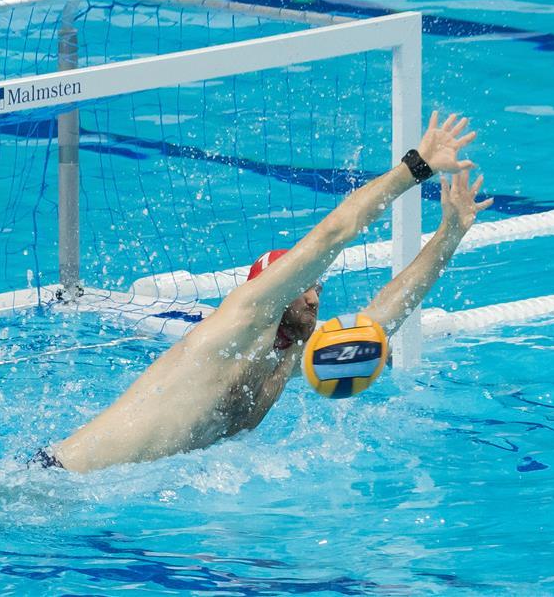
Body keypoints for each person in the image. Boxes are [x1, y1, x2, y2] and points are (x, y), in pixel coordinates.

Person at [33, 112, 491, 472]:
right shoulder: (242, 319)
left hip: (107, 495)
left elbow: (379, 323)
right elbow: (336, 232)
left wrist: (449, 234)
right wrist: (417, 167)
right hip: (56, 478)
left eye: (317, 288)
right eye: (302, 287)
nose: (313, 297)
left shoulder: (288, 355)